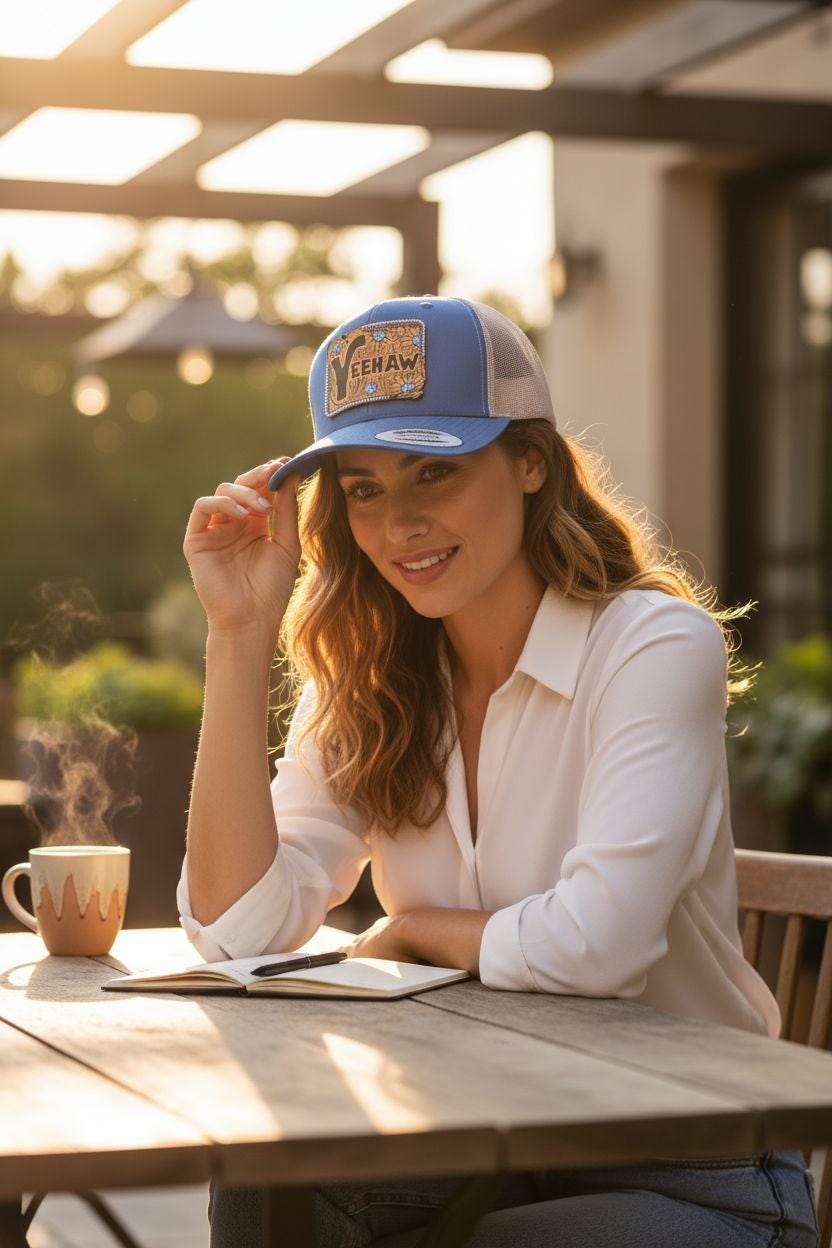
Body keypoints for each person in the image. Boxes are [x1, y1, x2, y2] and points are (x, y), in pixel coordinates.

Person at [180, 295, 819, 1247]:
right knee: (268, 1195)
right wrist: (238, 634)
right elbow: (237, 930)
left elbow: (598, 946)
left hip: (691, 1163)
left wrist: (418, 927)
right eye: (363, 489)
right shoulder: (367, 674)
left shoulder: (650, 646)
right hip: (473, 1140)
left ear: (531, 462)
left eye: (435, 470)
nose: (399, 525)